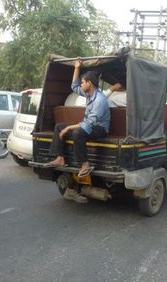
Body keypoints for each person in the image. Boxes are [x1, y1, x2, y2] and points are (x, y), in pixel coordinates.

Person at [46, 59, 111, 202]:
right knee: (59, 127)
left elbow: (88, 124)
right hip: (89, 125)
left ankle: (85, 164)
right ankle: (60, 158)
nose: (81, 84)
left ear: (89, 83)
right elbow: (73, 86)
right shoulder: (88, 94)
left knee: (77, 132)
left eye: (83, 82)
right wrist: (77, 68)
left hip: (99, 129)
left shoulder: (100, 100)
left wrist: (69, 127)